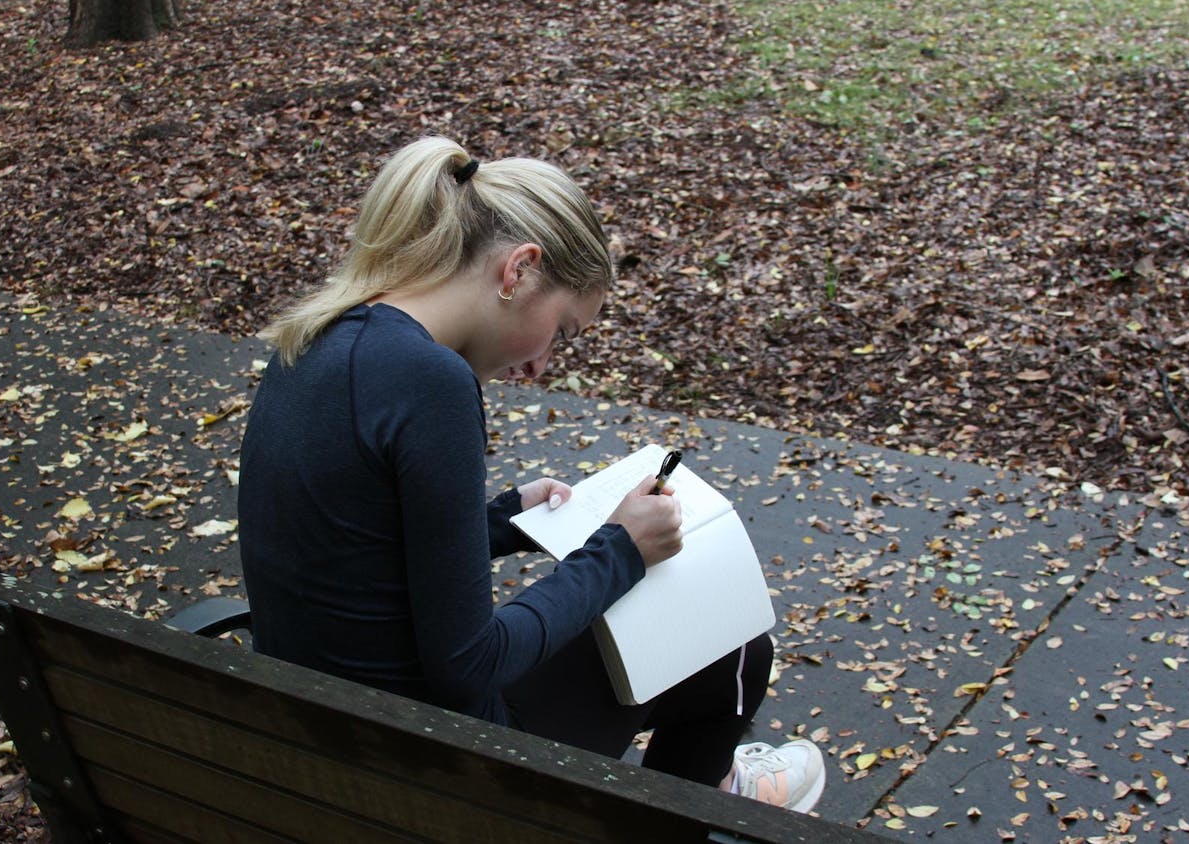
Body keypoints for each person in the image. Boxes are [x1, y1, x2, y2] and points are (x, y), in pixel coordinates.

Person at [236, 135, 826, 813]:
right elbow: (468, 668)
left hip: (313, 728)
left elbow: (348, 546)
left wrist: (500, 519)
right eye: (563, 331)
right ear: (518, 270)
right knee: (730, 638)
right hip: (433, 766)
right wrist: (620, 549)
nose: (543, 365)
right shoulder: (434, 384)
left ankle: (711, 786)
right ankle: (715, 795)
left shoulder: (319, 338)